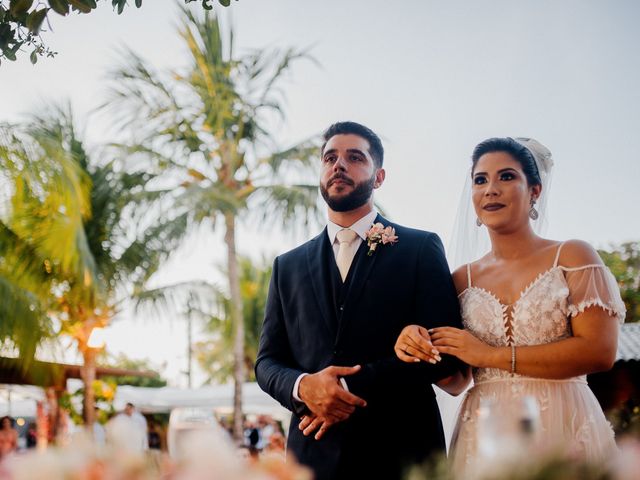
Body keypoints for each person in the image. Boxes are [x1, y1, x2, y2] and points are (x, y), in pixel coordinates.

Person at [394, 137, 626, 476]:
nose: (491, 189)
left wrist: (489, 355)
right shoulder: (461, 280)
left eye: (506, 177)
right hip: (486, 434)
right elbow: (456, 381)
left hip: (564, 422)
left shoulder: (573, 256)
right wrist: (416, 345)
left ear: (534, 191)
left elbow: (600, 352)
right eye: (480, 180)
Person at [255, 121, 466, 480]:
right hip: (312, 456)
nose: (339, 165)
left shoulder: (419, 249)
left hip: (401, 454)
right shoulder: (286, 266)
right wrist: (303, 387)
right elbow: (267, 362)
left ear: (379, 177)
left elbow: (442, 354)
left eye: (355, 157)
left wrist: (344, 387)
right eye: (330, 157)